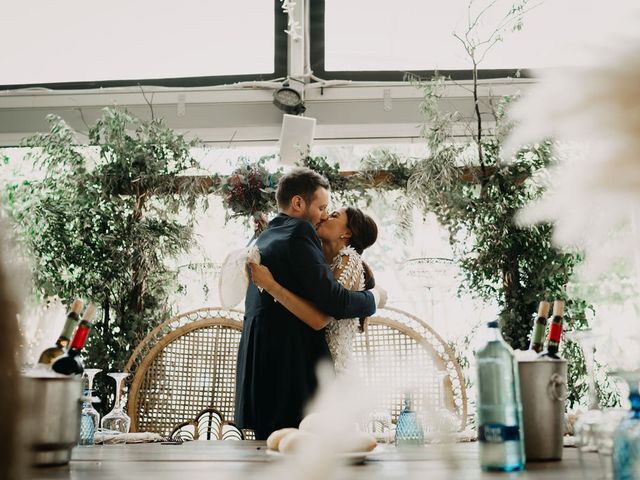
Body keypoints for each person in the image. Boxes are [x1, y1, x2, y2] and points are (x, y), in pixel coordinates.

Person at [234, 167, 385, 440]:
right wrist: (374, 299)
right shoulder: (300, 231)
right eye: (323, 207)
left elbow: (322, 304)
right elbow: (333, 305)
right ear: (298, 203)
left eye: (331, 211)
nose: (325, 215)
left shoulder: (268, 235)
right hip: (291, 370)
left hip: (261, 366)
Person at [249, 206, 378, 374]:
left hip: (331, 370)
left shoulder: (348, 258)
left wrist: (271, 285)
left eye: (333, 215)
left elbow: (319, 319)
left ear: (347, 233)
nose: (324, 217)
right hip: (307, 361)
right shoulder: (319, 260)